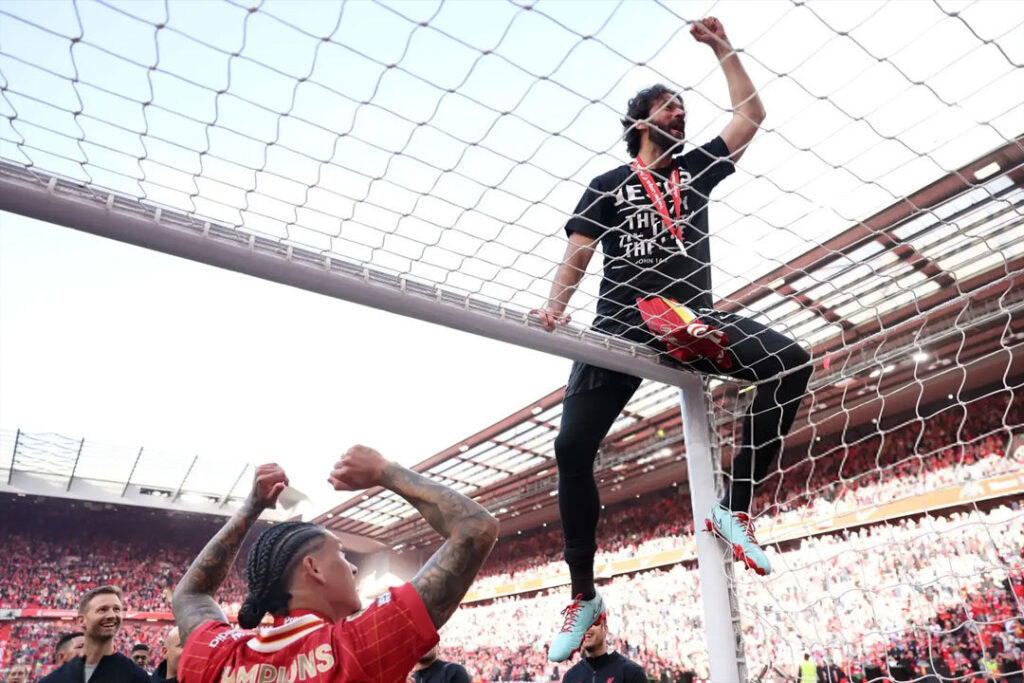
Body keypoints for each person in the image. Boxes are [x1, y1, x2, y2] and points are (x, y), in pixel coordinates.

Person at [532, 16, 812, 660]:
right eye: (668, 105)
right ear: (639, 121)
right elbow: (579, 251)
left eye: (684, 106)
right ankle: (583, 595)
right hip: (621, 327)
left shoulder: (695, 170)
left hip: (690, 321)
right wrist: (555, 308)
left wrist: (723, 49)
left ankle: (733, 507)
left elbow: (751, 115)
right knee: (571, 447)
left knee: (791, 361)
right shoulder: (607, 185)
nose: (681, 113)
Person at [172, 447, 498, 683]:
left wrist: (251, 507)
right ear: (313, 568)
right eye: (341, 554)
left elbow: (190, 595)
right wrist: (384, 470)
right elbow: (475, 529)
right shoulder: (357, 648)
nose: (353, 568)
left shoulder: (218, 657)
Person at [39, 586, 150, 683]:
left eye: (116, 609)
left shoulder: (136, 677)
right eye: (102, 610)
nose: (112, 615)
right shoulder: (54, 680)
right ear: (82, 621)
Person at [560, 615, 646, 683]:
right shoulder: (571, 676)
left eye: (591, 623)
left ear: (605, 629)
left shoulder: (632, 673)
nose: (585, 629)